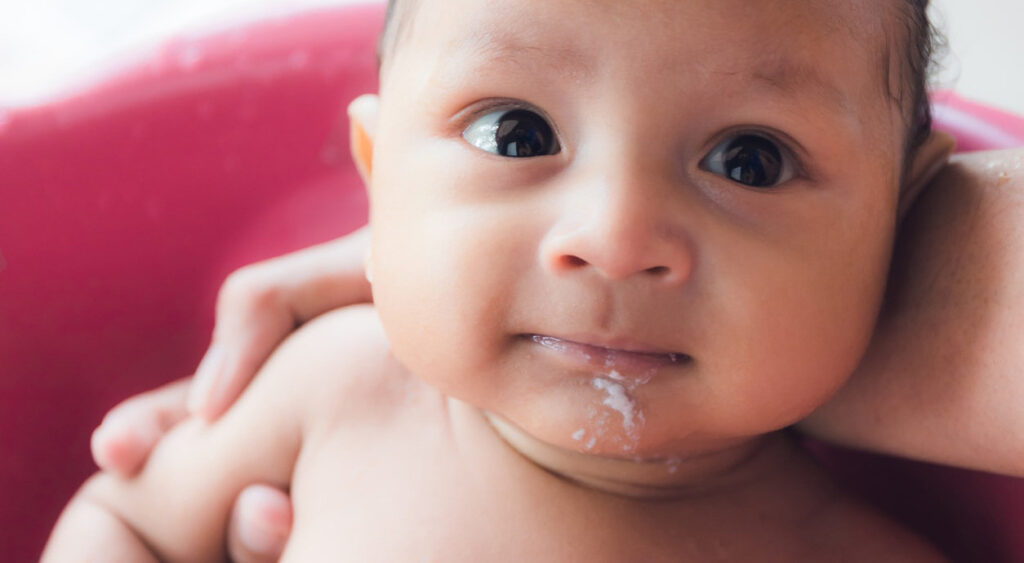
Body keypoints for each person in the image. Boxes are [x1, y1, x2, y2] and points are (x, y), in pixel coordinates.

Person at [44, 0, 1024, 559]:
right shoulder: (337, 388)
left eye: (748, 161)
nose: (611, 237)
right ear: (380, 177)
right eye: (517, 133)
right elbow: (125, 519)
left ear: (896, 218)